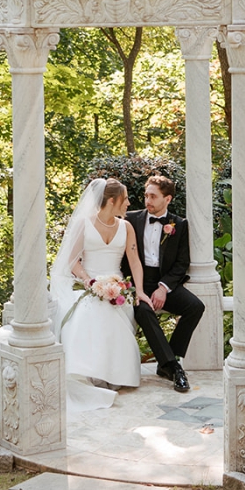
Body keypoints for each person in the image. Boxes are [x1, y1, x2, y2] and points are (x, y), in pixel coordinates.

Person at [49, 177, 146, 401]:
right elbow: (73, 261)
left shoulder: (127, 227)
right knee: (86, 314)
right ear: (111, 201)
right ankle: (89, 373)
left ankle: (115, 374)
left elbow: (135, 261)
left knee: (113, 313)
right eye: (125, 199)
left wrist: (139, 291)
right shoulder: (84, 224)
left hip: (118, 288)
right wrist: (89, 281)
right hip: (88, 287)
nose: (129, 204)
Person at [122, 172, 201, 392]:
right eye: (146, 195)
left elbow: (182, 262)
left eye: (153, 197)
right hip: (136, 281)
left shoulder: (179, 224)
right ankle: (173, 368)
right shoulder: (130, 219)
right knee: (144, 311)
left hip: (164, 282)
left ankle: (168, 359)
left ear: (167, 199)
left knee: (195, 307)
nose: (148, 201)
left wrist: (163, 288)